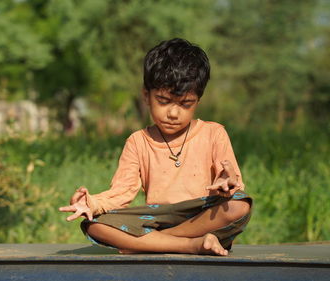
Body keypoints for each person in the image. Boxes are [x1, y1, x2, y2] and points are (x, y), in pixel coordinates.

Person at [59, 38, 252, 256]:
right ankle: (191, 245)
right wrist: (91, 203)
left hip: (202, 216)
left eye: (185, 104)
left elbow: (233, 180)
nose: (173, 113)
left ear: (198, 101)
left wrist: (228, 184)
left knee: (239, 205)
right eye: (163, 101)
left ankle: (151, 244)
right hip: (156, 219)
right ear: (146, 96)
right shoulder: (137, 141)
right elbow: (121, 193)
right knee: (95, 226)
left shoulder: (214, 133)